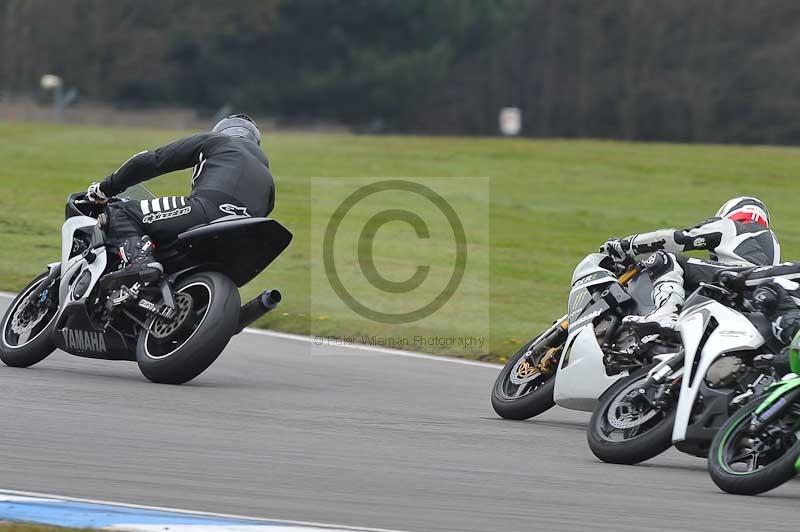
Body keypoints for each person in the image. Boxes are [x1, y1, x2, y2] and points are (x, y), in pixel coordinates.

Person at [85, 114, 274, 287]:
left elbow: (151, 161)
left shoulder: (217, 141)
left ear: (222, 131)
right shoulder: (268, 178)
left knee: (121, 211)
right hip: (245, 237)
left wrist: (104, 189)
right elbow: (266, 210)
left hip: (206, 208)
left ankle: (140, 262)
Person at [600, 197, 780, 329]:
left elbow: (676, 239)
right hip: (758, 302)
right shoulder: (773, 243)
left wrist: (627, 246)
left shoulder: (731, 225)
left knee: (667, 259)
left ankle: (666, 312)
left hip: (736, 279)